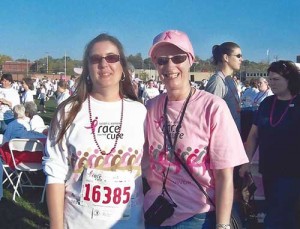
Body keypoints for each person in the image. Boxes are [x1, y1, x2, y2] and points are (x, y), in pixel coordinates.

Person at [143, 29, 248, 229]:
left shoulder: (212, 107)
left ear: (191, 60)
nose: (170, 66)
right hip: (156, 213)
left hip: (197, 217)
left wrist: (223, 225)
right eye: (162, 60)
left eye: (178, 58)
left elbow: (224, 175)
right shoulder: (151, 107)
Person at [43, 33, 147, 229]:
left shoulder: (140, 112)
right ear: (87, 68)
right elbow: (55, 172)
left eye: (111, 57)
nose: (104, 64)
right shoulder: (68, 111)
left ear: (122, 66)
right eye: (95, 59)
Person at [239, 60, 300, 229]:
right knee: (282, 214)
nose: (271, 83)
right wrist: (246, 161)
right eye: (270, 79)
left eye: (276, 79)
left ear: (290, 80)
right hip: (268, 169)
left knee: (276, 216)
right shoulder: (267, 103)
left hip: (292, 172)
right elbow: (253, 135)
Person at [205, 42, 243, 132]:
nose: (242, 59)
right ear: (226, 57)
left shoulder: (230, 80)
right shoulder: (217, 81)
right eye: (238, 56)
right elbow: (209, 116)